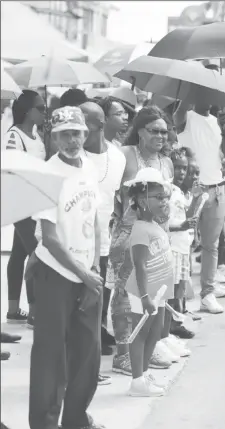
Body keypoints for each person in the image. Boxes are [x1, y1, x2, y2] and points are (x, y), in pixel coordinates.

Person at [29, 106, 104, 429]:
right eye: (64, 134)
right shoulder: (48, 174)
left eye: (76, 132)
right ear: (53, 137)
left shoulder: (89, 166)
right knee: (50, 356)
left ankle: (75, 418)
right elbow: (49, 238)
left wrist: (96, 265)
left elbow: (95, 219)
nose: (71, 140)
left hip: (87, 272)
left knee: (89, 352)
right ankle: (45, 423)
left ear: (86, 133)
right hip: (54, 274)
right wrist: (83, 273)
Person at [107, 106, 174, 374]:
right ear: (140, 131)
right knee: (125, 295)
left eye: (164, 132)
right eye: (154, 130)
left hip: (159, 238)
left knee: (152, 293)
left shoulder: (166, 162)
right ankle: (123, 354)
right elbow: (112, 191)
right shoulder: (126, 155)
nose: (160, 136)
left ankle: (145, 348)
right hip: (129, 236)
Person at [80, 102, 126, 360]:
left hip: (104, 238)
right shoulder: (74, 157)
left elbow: (115, 196)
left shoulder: (117, 157)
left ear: (99, 124)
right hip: (77, 241)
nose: (77, 130)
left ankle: (98, 332)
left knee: (102, 293)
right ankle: (86, 346)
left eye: (83, 122)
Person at [174, 85, 225, 313]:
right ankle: (181, 298)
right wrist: (189, 88)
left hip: (217, 188)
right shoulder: (186, 117)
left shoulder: (215, 122)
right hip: (193, 190)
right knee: (185, 243)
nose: (207, 97)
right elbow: (179, 112)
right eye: (201, 93)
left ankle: (207, 293)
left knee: (211, 246)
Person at [124, 168, 174, 397]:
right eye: (159, 197)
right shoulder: (140, 229)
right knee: (141, 333)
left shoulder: (155, 225)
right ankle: (137, 381)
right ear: (142, 201)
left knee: (155, 333)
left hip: (159, 289)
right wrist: (144, 297)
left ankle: (144, 375)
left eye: (165, 196)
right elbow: (140, 265)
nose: (164, 201)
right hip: (144, 292)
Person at [3, 90, 46, 326]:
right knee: (36, 254)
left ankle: (12, 310)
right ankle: (34, 311)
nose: (44, 112)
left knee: (19, 253)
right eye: (40, 108)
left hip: (35, 203)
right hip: (21, 203)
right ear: (28, 111)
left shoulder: (37, 135)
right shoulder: (14, 136)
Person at [167, 150, 197, 339]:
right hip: (171, 247)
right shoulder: (165, 190)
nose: (181, 172)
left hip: (183, 246)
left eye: (184, 168)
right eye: (177, 167)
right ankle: (167, 327)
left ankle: (176, 324)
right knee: (170, 288)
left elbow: (188, 217)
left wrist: (195, 198)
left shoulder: (179, 192)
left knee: (180, 288)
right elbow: (163, 221)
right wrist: (181, 227)